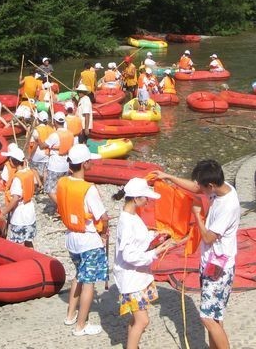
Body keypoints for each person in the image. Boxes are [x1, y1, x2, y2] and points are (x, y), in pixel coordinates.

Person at [155, 160, 239, 349]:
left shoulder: (227, 206)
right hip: (213, 261)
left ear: (210, 185)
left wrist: (197, 215)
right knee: (215, 316)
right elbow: (194, 187)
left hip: (219, 266)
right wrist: (168, 177)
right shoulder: (221, 188)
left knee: (207, 318)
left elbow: (208, 237)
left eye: (201, 185)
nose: (197, 188)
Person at [112, 178, 175, 349]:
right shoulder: (126, 222)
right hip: (131, 279)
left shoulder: (132, 216)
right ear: (136, 198)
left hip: (138, 276)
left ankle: (133, 344)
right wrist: (156, 252)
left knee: (136, 319)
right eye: (146, 197)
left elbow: (139, 239)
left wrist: (155, 236)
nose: (148, 200)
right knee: (143, 320)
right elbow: (129, 255)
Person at [56, 145, 108, 337]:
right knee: (89, 282)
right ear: (85, 164)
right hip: (88, 241)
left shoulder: (62, 182)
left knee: (79, 275)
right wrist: (104, 233)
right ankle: (80, 326)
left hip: (71, 238)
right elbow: (103, 216)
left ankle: (70, 315)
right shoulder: (88, 189)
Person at [0, 144, 39, 247]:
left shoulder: (18, 178)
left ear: (13, 161)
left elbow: (15, 198)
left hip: (19, 214)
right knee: (28, 241)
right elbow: (35, 184)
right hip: (30, 210)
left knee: (17, 243)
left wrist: (4, 211)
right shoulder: (29, 172)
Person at [44, 112, 75, 204]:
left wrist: (38, 140)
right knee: (61, 188)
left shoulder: (54, 135)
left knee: (49, 190)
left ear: (54, 121)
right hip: (65, 165)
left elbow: (43, 146)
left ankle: (61, 206)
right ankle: (62, 205)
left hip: (55, 166)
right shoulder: (70, 134)